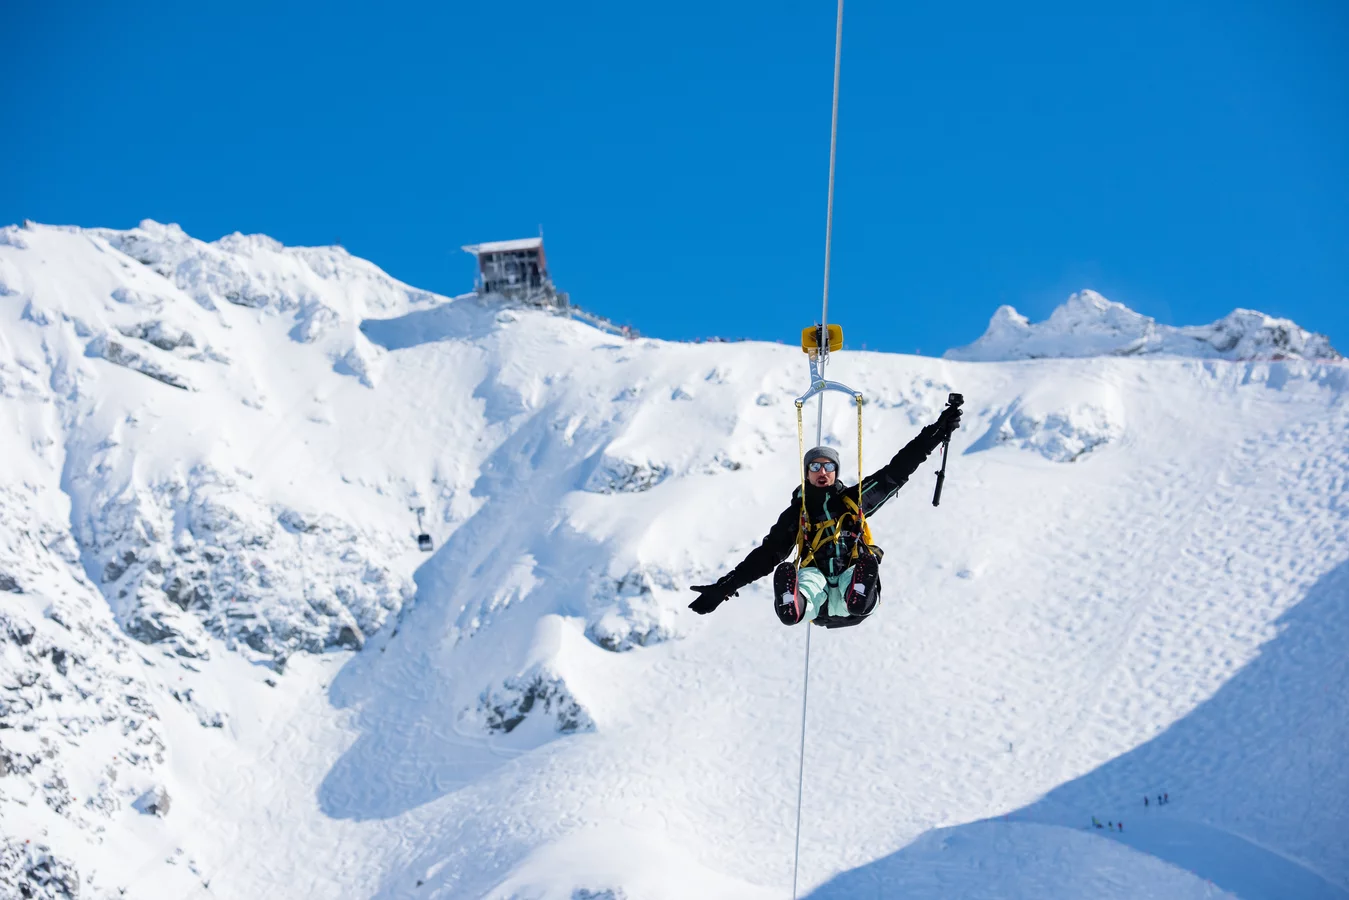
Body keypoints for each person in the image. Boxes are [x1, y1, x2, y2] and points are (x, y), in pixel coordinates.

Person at [688, 404, 963, 627]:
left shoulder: (854, 501)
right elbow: (767, 555)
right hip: (816, 591)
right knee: (809, 584)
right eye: (815, 466)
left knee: (854, 575)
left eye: (828, 466)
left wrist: (937, 432)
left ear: (835, 472)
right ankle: (794, 604)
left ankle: (858, 592)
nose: (822, 471)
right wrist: (724, 587)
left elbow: (897, 469)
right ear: (807, 473)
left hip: (851, 578)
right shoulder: (798, 513)